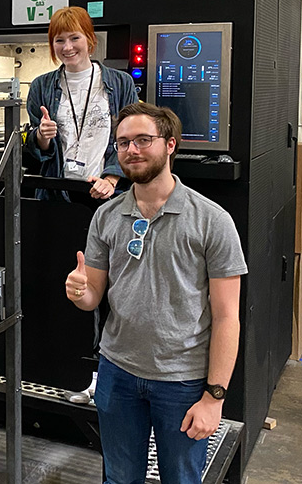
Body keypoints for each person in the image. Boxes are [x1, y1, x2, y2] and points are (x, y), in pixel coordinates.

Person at [64, 102, 247, 483]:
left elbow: (228, 317)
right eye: (124, 142)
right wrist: (79, 291)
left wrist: (214, 398)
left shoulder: (212, 220)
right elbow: (93, 297)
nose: (132, 150)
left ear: (170, 145)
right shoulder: (107, 216)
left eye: (144, 140)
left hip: (182, 382)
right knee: (118, 478)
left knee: (181, 479)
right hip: (117, 374)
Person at [26, 6, 138, 199]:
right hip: (57, 192)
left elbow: (132, 139)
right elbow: (37, 150)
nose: (67, 47)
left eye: (74, 38)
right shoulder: (41, 86)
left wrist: (110, 180)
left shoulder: (121, 83)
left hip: (107, 191)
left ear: (89, 38)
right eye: (59, 40)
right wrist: (42, 136)